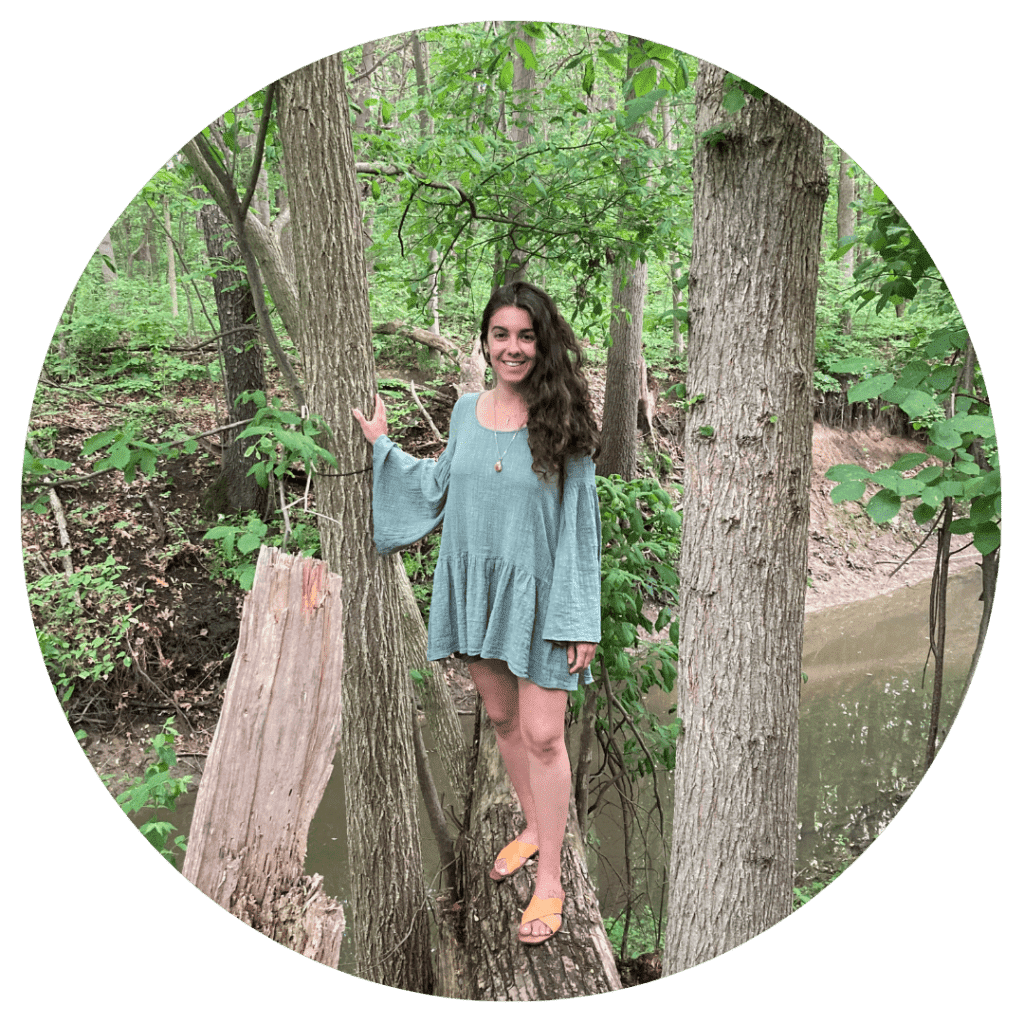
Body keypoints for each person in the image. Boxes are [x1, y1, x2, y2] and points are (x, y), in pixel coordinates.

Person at [352, 281, 602, 945]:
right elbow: (437, 487)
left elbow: (580, 523)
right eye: (501, 335)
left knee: (546, 735)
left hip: (544, 597)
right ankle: (529, 824)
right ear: (485, 341)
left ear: (541, 343)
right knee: (501, 719)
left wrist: (581, 618)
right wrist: (383, 448)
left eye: (525, 335)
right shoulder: (465, 411)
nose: (513, 348)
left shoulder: (564, 415)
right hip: (479, 591)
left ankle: (551, 877)